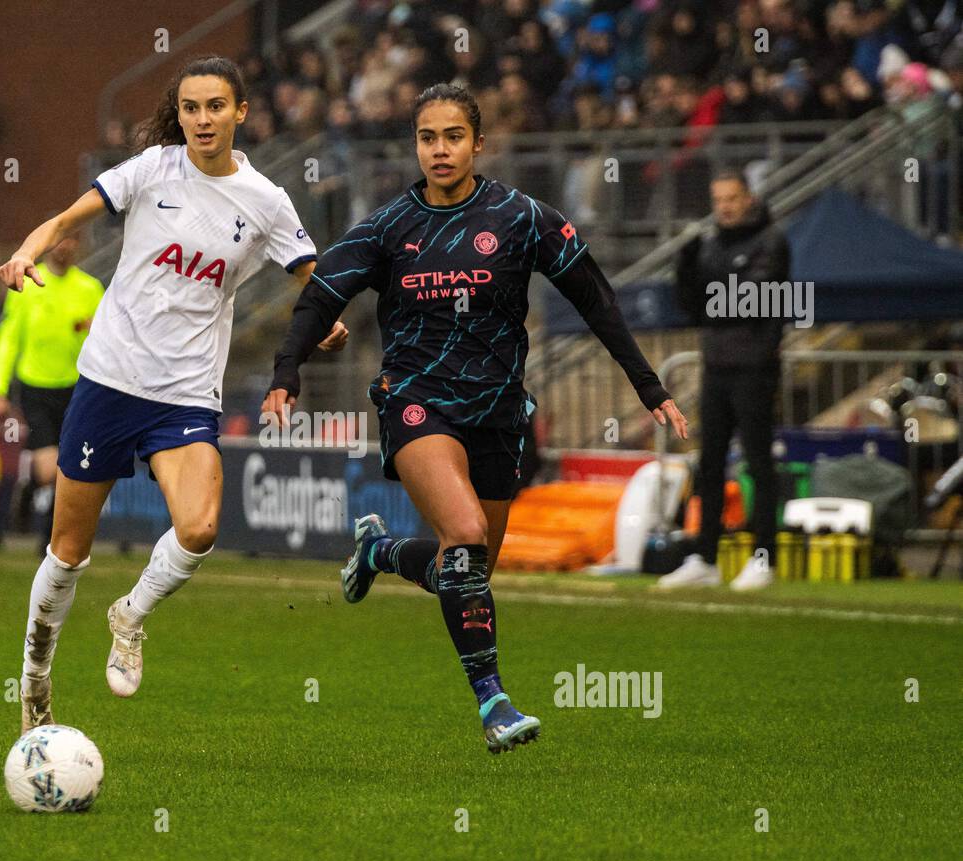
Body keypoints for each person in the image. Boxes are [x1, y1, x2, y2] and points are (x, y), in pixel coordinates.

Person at [263, 83, 688, 755]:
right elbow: (321, 294)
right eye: (428, 137)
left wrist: (647, 385)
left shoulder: (522, 218)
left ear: (478, 143)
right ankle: (493, 702)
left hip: (496, 410)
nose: (440, 149)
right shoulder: (387, 227)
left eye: (453, 136)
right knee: (461, 534)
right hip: (415, 399)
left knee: (468, 566)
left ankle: (379, 550)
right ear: (415, 145)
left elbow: (597, 300)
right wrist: (287, 369)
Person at [0, 56, 346, 734]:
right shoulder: (152, 169)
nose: (202, 119)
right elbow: (67, 216)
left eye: (216, 106)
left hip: (186, 394)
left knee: (201, 528)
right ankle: (35, 674)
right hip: (107, 382)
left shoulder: (266, 201)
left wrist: (324, 323)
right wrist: (26, 252)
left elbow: (313, 276)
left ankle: (130, 615)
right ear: (179, 115)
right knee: (68, 550)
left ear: (240, 112)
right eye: (191, 108)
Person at [661, 168, 789, 592]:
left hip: (755, 367)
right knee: (710, 464)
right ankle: (705, 557)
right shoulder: (711, 245)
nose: (725, 209)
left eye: (731, 199)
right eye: (718, 202)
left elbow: (749, 300)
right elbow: (692, 307)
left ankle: (764, 557)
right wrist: (684, 265)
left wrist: (710, 287)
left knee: (758, 463)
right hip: (715, 366)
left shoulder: (771, 241)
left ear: (748, 198)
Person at [0, 233, 105, 554]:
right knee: (50, 468)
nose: (65, 247)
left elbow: (102, 339)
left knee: (68, 467)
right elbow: (8, 338)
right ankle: (29, 489)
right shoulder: (27, 285)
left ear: (77, 247)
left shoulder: (90, 289)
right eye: (60, 241)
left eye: (71, 241)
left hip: (76, 387)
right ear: (50, 245)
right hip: (35, 386)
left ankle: (48, 541)